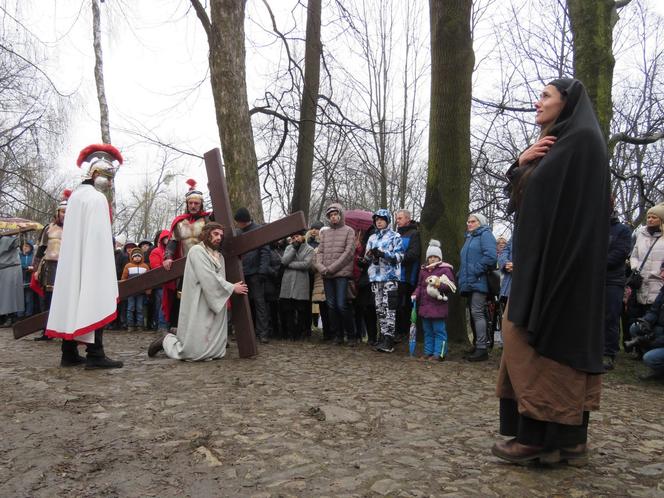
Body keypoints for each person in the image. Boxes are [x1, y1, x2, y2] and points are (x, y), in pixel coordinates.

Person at [493, 78, 609, 465]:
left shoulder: (581, 144)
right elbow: (526, 200)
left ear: (568, 102)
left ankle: (539, 438)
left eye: (546, 96)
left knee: (533, 341)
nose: (537, 102)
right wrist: (520, 163)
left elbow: (544, 200)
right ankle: (568, 441)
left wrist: (529, 168)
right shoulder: (560, 144)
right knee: (548, 342)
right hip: (549, 263)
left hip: (561, 269)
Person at [45, 144, 126, 369]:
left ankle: (68, 352)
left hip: (71, 263)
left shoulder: (76, 198)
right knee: (94, 297)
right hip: (91, 261)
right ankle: (95, 354)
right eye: (108, 177)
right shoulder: (96, 199)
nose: (110, 184)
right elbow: (99, 238)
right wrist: (103, 265)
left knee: (71, 299)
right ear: (96, 175)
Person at [147, 222, 248, 361]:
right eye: (215, 234)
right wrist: (231, 288)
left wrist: (227, 288)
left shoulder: (220, 257)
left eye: (221, 235)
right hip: (198, 300)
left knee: (217, 351)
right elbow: (208, 277)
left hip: (213, 301)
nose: (219, 238)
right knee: (192, 352)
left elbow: (219, 278)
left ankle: (183, 335)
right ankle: (167, 341)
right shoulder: (197, 251)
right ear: (206, 234)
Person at [314, 203, 357, 346]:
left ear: (340, 215)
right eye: (330, 215)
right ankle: (337, 335)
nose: (333, 217)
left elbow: (348, 253)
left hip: (341, 274)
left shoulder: (349, 231)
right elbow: (319, 252)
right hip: (326, 274)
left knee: (341, 305)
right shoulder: (325, 233)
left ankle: (351, 335)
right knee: (331, 306)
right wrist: (321, 267)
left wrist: (331, 268)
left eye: (335, 214)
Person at [458, 212, 497, 362]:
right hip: (469, 282)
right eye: (468, 221)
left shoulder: (485, 235)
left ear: (481, 223)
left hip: (480, 281)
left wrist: (475, 270)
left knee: (478, 312)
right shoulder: (470, 238)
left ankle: (482, 348)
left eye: (473, 221)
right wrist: (460, 275)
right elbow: (467, 261)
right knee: (473, 314)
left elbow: (491, 256)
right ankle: (477, 345)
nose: (469, 223)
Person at [32, 190, 70, 339]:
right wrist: (35, 268)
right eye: (62, 212)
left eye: (67, 212)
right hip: (50, 267)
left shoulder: (75, 229)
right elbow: (41, 249)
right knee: (48, 299)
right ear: (58, 212)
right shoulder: (49, 228)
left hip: (67, 267)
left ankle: (66, 330)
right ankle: (47, 331)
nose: (64, 215)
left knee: (66, 298)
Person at [365, 208, 404, 353]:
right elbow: (367, 258)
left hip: (390, 277)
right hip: (375, 278)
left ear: (387, 221)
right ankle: (382, 337)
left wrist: (383, 253)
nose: (379, 222)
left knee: (389, 309)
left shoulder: (395, 236)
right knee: (379, 309)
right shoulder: (372, 238)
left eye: (382, 219)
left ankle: (389, 339)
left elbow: (400, 257)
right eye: (377, 220)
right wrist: (369, 256)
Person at [234, 207, 272, 343]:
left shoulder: (258, 230)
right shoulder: (238, 232)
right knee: (244, 304)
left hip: (256, 273)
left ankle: (263, 333)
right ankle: (246, 332)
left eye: (238, 222)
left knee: (259, 303)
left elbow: (265, 252)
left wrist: (262, 270)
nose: (237, 224)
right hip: (242, 273)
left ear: (243, 221)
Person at [412, 240, 455, 361]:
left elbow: (450, 286)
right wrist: (415, 294)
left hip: (438, 307)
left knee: (439, 331)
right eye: (430, 257)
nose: (432, 259)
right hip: (425, 307)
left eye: (435, 257)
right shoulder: (423, 271)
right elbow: (420, 286)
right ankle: (428, 352)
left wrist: (439, 285)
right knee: (428, 331)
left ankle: (439, 353)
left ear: (439, 258)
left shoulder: (445, 270)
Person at [626, 203, 664, 333]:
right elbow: (634, 255)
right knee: (637, 317)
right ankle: (639, 349)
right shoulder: (640, 235)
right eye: (648, 217)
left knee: (654, 318)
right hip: (641, 283)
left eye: (654, 217)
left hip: (658, 282)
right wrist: (636, 269)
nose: (650, 219)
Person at [603, 206, 632, 370]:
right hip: (591, 281)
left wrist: (594, 262)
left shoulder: (622, 231)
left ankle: (608, 353)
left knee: (610, 317)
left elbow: (620, 253)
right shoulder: (592, 227)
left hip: (612, 280)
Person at [279, 230, 314, 340]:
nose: (295, 239)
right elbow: (284, 261)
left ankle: (299, 332)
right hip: (288, 283)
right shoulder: (289, 248)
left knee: (301, 310)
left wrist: (290, 265)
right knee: (288, 310)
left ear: (303, 237)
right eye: (293, 237)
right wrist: (294, 249)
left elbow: (306, 264)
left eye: (297, 236)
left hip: (301, 283)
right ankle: (290, 333)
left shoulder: (309, 249)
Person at [628, 277, 664, 381]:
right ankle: (657, 370)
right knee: (635, 328)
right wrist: (646, 322)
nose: (661, 275)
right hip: (660, 331)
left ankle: (660, 371)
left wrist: (650, 342)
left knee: (650, 357)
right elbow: (654, 310)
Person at [395, 210, 421, 341]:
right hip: (395, 276)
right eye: (396, 218)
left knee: (405, 306)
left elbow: (413, 254)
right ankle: (397, 332)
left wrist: (396, 258)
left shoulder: (414, 234)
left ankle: (404, 332)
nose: (397, 221)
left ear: (408, 219)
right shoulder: (395, 235)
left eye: (400, 218)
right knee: (396, 305)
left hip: (408, 276)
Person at [121, 247, 151, 330]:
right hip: (130, 292)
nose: (137, 257)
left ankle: (140, 325)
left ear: (142, 256)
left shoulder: (145, 266)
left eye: (139, 256)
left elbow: (148, 279)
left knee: (139, 308)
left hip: (141, 292)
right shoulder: (128, 266)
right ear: (132, 257)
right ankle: (130, 325)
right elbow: (124, 278)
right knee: (130, 308)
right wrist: (124, 289)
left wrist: (148, 291)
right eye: (135, 256)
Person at [149, 230, 172, 333]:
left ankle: (168, 326)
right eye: (165, 238)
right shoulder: (156, 251)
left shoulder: (173, 251)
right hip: (162, 284)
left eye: (169, 238)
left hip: (172, 283)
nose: (167, 240)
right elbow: (156, 267)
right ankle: (161, 326)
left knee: (169, 305)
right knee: (162, 305)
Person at [0, 234, 24, 326]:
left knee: (10, 296)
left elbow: (17, 242)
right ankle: (3, 318)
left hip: (11, 270)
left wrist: (20, 234)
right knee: (3, 297)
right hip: (3, 270)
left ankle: (11, 317)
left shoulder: (8, 240)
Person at [17, 241, 36, 318]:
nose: (25, 247)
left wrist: (30, 267)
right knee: (20, 299)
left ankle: (29, 315)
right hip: (20, 279)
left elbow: (34, 265)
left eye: (27, 246)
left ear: (31, 247)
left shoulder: (33, 256)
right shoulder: (19, 256)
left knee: (29, 299)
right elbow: (18, 264)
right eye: (24, 246)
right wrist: (27, 267)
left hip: (29, 279)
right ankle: (20, 316)